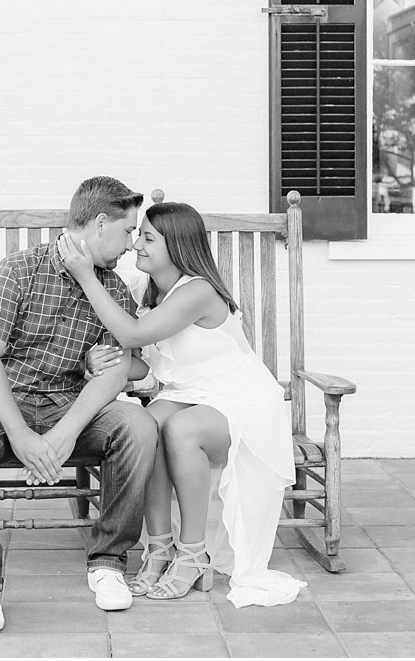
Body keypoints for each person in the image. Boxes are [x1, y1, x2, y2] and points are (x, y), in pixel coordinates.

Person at [60, 201, 306, 608]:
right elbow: (144, 365)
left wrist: (86, 277)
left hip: (242, 401)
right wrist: (96, 361)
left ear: (177, 246)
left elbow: (134, 333)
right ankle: (159, 548)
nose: (136, 244)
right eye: (138, 235)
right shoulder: (148, 290)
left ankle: (194, 554)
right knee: (144, 425)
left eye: (149, 238)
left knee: (180, 429)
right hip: (188, 395)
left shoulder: (198, 291)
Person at [0, 176, 159, 633]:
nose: (129, 245)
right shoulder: (18, 271)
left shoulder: (113, 290)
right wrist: (22, 435)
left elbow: (118, 371)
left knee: (138, 425)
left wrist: (62, 436)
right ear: (101, 223)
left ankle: (108, 560)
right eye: (127, 232)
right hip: (1, 403)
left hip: (69, 408)